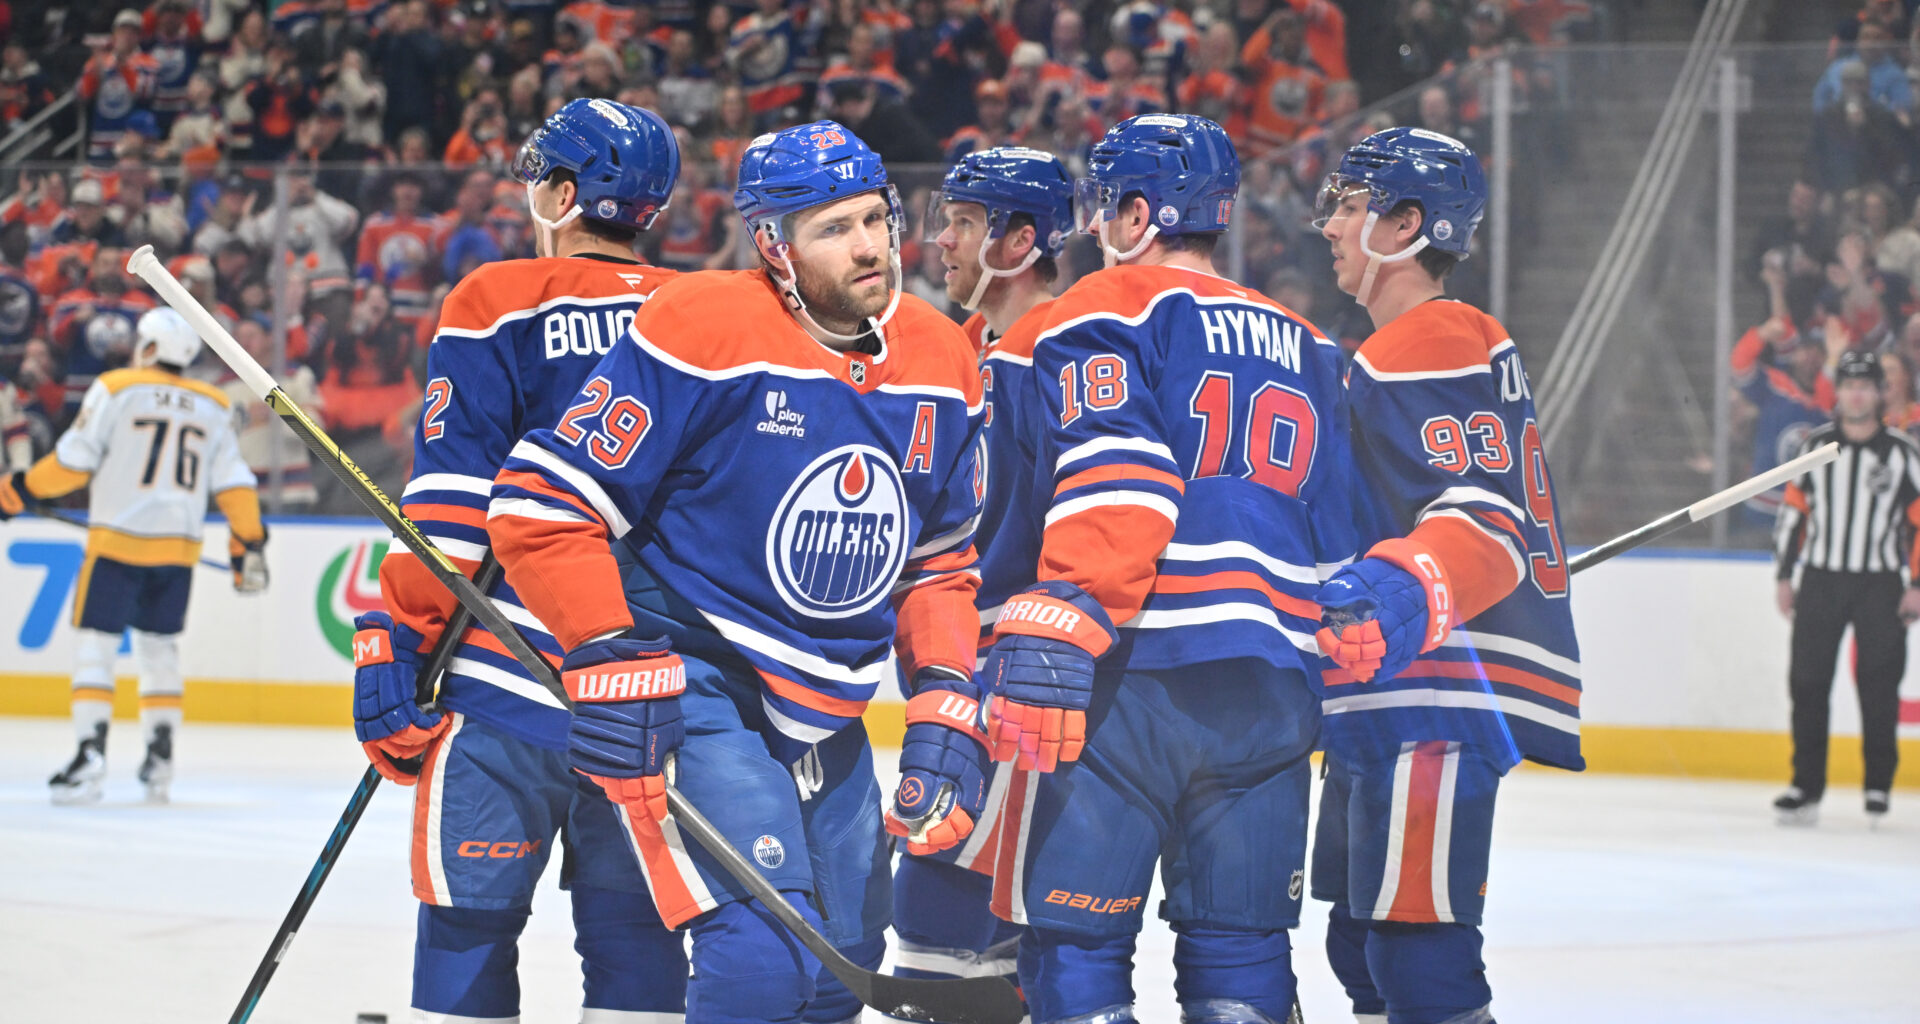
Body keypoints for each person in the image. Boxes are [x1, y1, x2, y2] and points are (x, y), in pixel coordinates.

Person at [485, 120, 983, 1023]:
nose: (869, 246)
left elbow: (940, 562)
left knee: (844, 965)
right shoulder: (703, 323)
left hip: (827, 704)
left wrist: (945, 694)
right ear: (774, 246)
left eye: (875, 218)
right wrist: (603, 645)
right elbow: (541, 504)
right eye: (834, 228)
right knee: (758, 953)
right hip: (699, 675)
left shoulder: (946, 358)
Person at [977, 113, 1352, 1024]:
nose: (1101, 224)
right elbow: (1341, 540)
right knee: (1243, 960)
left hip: (1124, 677)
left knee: (1077, 955)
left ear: (1141, 213)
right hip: (1271, 687)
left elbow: (1110, 478)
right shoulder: (1311, 342)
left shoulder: (1101, 309)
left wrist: (1053, 612)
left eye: (1109, 203)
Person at [350, 98, 690, 1023]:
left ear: (569, 192)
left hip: (504, 678)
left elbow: (453, 508)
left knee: (469, 930)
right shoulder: (701, 313)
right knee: (639, 943)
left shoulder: (496, 296)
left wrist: (399, 636)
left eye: (542, 177)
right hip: (652, 686)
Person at [1310, 127, 1583, 1024]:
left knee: (1415, 944)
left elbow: (1484, 519)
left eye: (1351, 206)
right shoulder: (1419, 343)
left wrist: (1391, 595)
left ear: (1406, 224)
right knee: (1360, 935)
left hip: (1434, 690)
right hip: (1395, 686)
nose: (1333, 226)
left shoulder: (1430, 338)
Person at [890, 146, 1073, 992]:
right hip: (964, 667)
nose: (943, 242)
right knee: (946, 926)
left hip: (1026, 677)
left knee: (947, 920)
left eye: (963, 223)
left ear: (1020, 240)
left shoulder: (1065, 351)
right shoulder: (960, 352)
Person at [0, 308, 267, 804]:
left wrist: (19, 490)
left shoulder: (117, 387)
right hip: (177, 554)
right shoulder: (212, 403)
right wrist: (247, 542)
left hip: (117, 544)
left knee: (96, 648)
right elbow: (235, 484)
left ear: (148, 347)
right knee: (159, 651)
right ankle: (160, 760)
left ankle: (89, 756)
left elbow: (73, 462)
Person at [1771, 351, 1920, 827]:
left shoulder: (1901, 453)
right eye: (1849, 383)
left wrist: (1916, 584)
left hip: (1879, 582)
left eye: (1865, 384)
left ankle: (1877, 787)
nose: (1856, 392)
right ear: (1838, 391)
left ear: (1880, 392)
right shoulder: (1814, 446)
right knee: (1808, 683)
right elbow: (1791, 515)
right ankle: (1805, 787)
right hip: (1820, 578)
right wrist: (1783, 576)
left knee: (1879, 687)